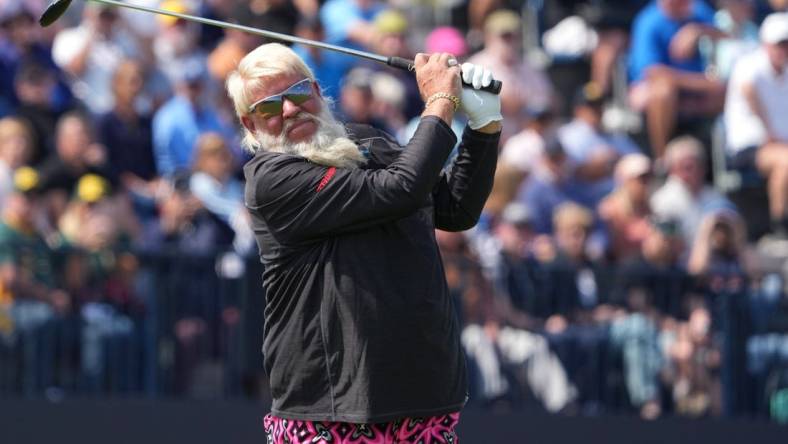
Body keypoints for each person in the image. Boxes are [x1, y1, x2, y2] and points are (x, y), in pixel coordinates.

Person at [227, 43, 502, 441]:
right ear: (250, 125)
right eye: (269, 108)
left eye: (298, 94)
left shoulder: (366, 140)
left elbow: (454, 209)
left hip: (422, 395)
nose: (289, 111)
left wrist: (483, 127)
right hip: (329, 408)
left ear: (318, 93)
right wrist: (441, 100)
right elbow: (400, 188)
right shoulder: (270, 179)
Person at [628, 0, 727, 157]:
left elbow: (728, 35)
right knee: (663, 92)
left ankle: (728, 159)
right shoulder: (648, 20)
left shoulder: (697, 10)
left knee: (730, 91)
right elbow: (653, 73)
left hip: (696, 93)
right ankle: (662, 160)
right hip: (660, 90)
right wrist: (702, 84)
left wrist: (699, 30)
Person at [724, 12, 788, 237]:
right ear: (766, 44)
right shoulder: (749, 64)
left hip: (778, 145)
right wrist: (769, 130)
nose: (784, 50)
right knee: (785, 162)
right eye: (780, 44)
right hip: (747, 147)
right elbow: (748, 90)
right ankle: (781, 226)